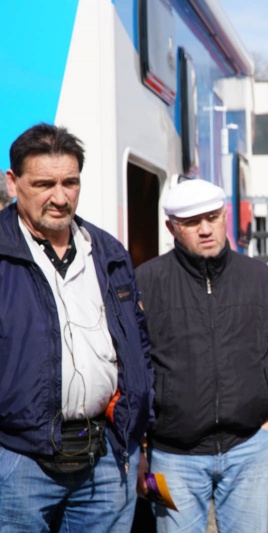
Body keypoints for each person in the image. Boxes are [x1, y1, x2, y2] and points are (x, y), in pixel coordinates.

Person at [0, 123, 153, 532]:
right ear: (13, 183)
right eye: (44, 183)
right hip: (16, 460)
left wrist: (134, 430)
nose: (60, 196)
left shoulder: (108, 253)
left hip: (104, 456)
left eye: (70, 182)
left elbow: (138, 345)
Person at [135, 178, 268, 533]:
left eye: (212, 217)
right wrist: (140, 446)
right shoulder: (144, 283)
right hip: (170, 457)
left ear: (225, 215)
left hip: (250, 449)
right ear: (171, 227)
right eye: (191, 222)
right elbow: (129, 367)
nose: (205, 229)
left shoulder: (264, 281)